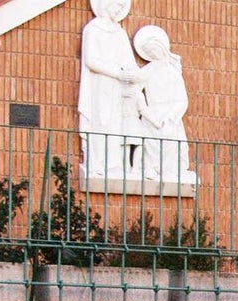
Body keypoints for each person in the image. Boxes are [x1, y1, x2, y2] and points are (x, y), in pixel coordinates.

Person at [78, 0, 144, 178]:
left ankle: (113, 165)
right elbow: (91, 60)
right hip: (100, 84)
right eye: (117, 6)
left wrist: (136, 74)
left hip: (118, 87)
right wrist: (117, 73)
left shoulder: (120, 33)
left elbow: (129, 61)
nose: (119, 10)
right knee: (102, 120)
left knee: (116, 124)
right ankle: (98, 163)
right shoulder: (93, 29)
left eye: (122, 7)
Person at [133, 25, 198, 183]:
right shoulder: (148, 70)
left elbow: (182, 100)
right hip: (152, 112)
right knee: (149, 138)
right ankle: (150, 168)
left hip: (169, 114)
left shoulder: (173, 73)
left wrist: (170, 117)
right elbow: (135, 89)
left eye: (154, 50)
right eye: (149, 52)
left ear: (162, 49)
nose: (153, 54)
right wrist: (144, 110)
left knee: (171, 137)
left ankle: (170, 170)